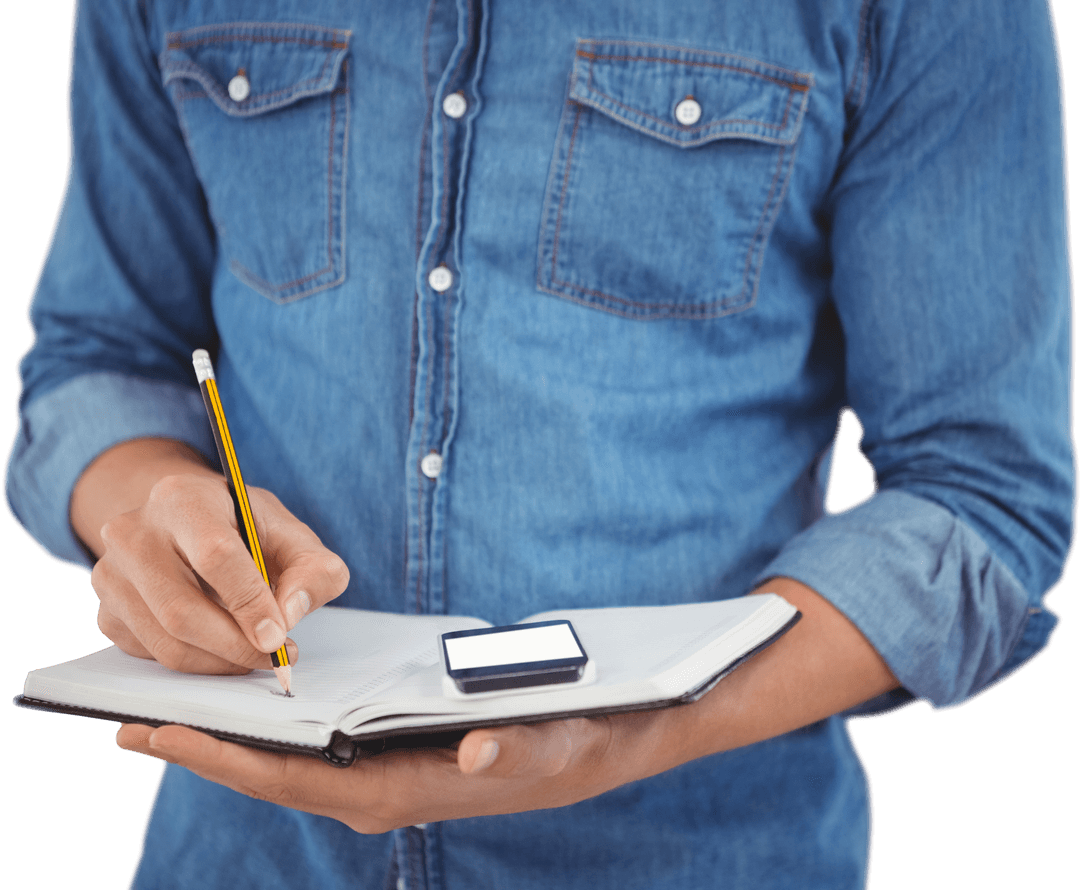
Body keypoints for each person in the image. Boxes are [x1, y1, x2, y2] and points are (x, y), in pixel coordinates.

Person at [5, 0, 1073, 888]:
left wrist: (636, 730)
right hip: (233, 857)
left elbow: (981, 496)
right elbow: (102, 356)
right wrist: (145, 504)